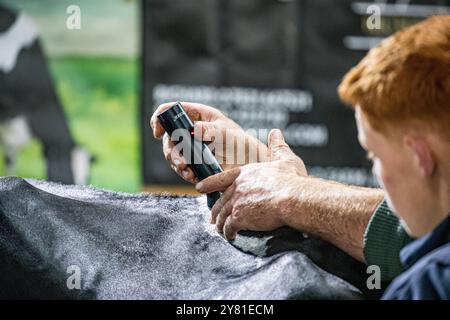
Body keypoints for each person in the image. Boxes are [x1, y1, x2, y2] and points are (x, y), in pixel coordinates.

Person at [151, 15, 450, 299]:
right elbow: (421, 233)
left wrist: (289, 194)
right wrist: (278, 183)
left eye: (375, 155)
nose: (377, 172)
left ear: (420, 156)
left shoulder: (431, 284)